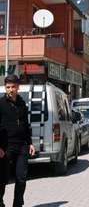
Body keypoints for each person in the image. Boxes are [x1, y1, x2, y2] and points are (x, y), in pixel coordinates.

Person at [0, 75, 35, 207]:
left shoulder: (22, 104)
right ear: (5, 88)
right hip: (5, 147)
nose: (10, 90)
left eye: (13, 87)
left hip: (22, 146)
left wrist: (30, 143)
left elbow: (26, 125)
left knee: (21, 178)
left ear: (18, 87)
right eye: (8, 87)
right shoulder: (1, 104)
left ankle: (18, 204)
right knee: (2, 179)